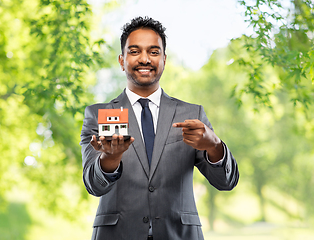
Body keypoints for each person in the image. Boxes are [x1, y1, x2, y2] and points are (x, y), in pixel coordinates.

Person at [80, 16, 239, 240]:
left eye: (153, 52)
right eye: (134, 51)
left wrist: (214, 146)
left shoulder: (192, 115)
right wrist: (110, 160)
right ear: (121, 60)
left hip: (180, 234)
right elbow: (94, 185)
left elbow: (226, 182)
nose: (144, 59)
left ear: (164, 59)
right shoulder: (97, 115)